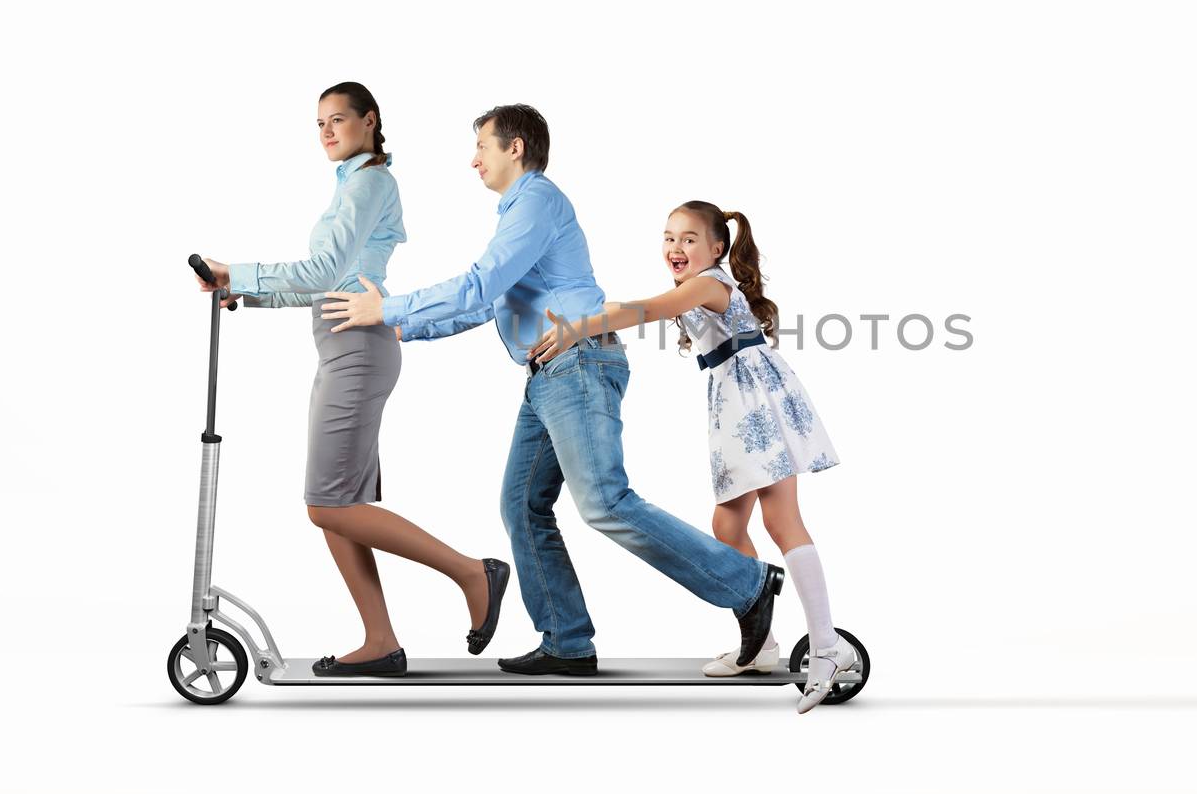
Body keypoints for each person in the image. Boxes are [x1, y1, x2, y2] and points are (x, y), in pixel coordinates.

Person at [321, 105, 784, 675]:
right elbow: (489, 302)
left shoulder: (536, 201)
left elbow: (479, 285)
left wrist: (387, 305)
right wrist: (400, 325)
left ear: (515, 148)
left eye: (483, 148)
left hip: (580, 363)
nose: (474, 160)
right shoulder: (519, 214)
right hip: (549, 374)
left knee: (605, 501)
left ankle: (748, 584)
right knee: (521, 505)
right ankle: (566, 641)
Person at [194, 81, 509, 677]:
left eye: (339, 119)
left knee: (325, 504)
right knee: (341, 502)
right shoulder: (351, 186)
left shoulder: (369, 181)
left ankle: (474, 572)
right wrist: (246, 294)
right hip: (343, 346)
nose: (328, 131)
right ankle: (380, 641)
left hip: (357, 349)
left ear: (370, 121)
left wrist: (236, 269)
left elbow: (326, 269)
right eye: (319, 123)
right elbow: (324, 282)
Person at [527, 200, 856, 712]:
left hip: (755, 398)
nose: (675, 248)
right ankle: (762, 645)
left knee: (782, 518)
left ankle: (826, 647)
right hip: (735, 400)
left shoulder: (710, 283)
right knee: (727, 527)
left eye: (688, 239)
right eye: (668, 237)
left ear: (716, 248)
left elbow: (648, 310)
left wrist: (581, 325)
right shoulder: (697, 287)